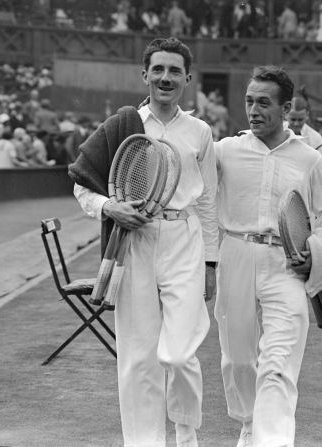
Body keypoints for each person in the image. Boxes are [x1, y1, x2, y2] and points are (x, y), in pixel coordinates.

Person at [68, 37, 218, 447]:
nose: (165, 78)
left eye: (174, 71)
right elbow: (83, 186)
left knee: (179, 354)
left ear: (187, 78)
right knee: (137, 356)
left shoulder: (201, 132)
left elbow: (207, 201)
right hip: (133, 241)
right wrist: (108, 208)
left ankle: (186, 436)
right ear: (145, 74)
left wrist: (211, 263)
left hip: (184, 241)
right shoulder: (122, 125)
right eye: (158, 69)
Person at [214, 65, 322, 447]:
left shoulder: (309, 159)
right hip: (235, 255)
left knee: (277, 367)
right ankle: (249, 425)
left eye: (264, 103)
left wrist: (316, 249)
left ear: (286, 108)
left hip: (286, 267)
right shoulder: (225, 151)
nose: (254, 110)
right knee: (238, 361)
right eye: (249, 102)